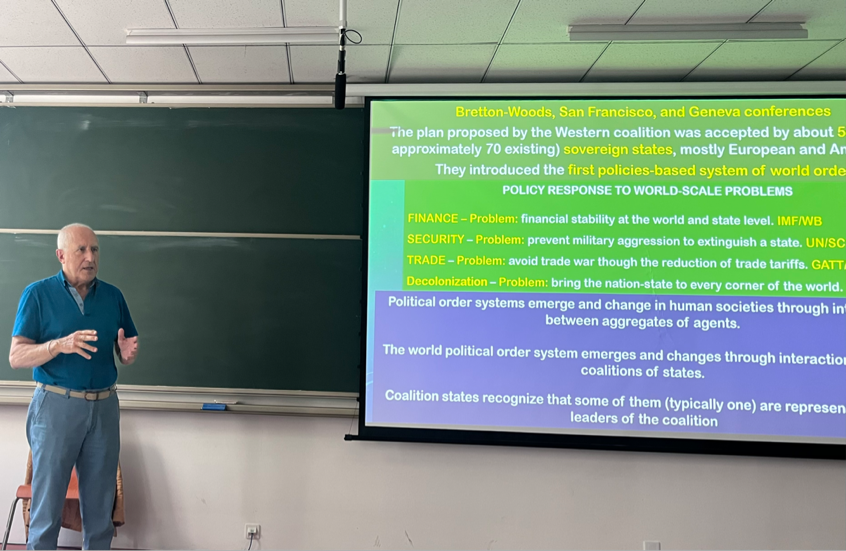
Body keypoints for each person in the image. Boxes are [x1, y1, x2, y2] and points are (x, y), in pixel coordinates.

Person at [8, 223, 138, 550]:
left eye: (94, 250)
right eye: (81, 250)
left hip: (104, 408)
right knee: (46, 507)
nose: (90, 257)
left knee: (100, 510)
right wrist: (58, 345)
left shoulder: (113, 296)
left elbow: (125, 348)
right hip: (56, 407)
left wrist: (126, 354)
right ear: (61, 255)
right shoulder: (38, 294)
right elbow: (17, 356)